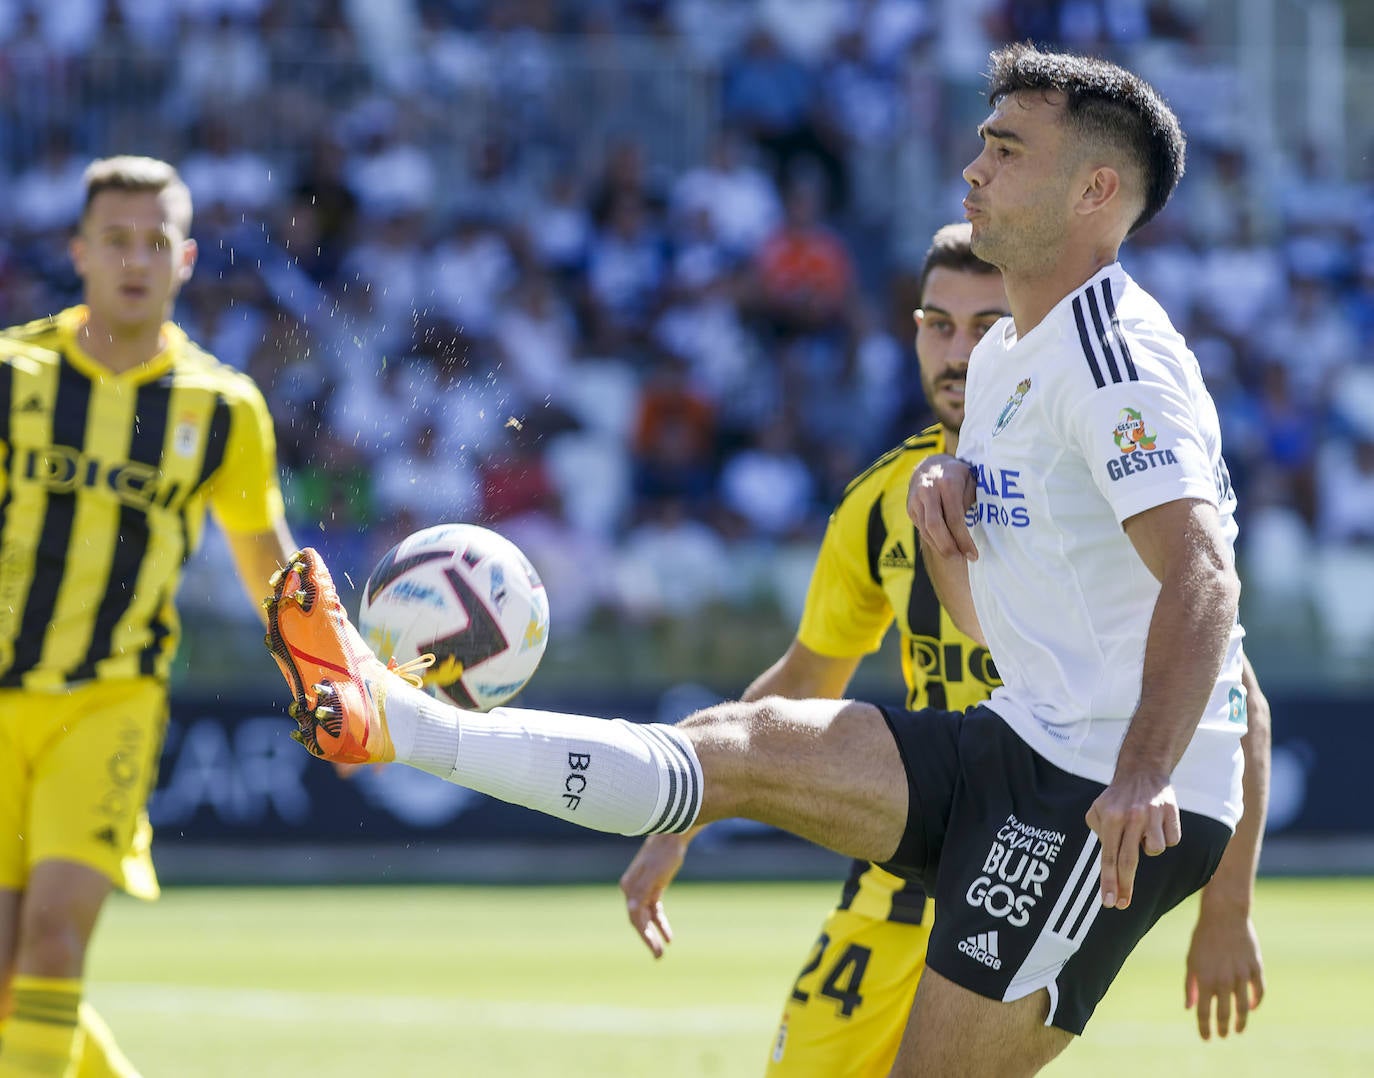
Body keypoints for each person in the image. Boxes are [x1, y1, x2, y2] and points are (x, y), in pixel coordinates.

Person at [266, 45, 1266, 1074]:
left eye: (1007, 150)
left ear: (1097, 190)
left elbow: (1204, 572)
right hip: (1020, 741)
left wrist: (1143, 771)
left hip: (1107, 794)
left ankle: (396, 717)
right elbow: (998, 625)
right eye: (979, 146)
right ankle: (391, 715)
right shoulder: (1013, 353)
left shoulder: (1115, 356)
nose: (973, 170)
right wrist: (951, 526)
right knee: (735, 743)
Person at [616, 222, 1269, 1077]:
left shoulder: (1100, 467)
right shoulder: (879, 500)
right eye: (937, 324)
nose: (957, 353)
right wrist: (687, 807)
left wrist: (1226, 910)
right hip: (897, 883)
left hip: (1026, 856)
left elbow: (1232, 692)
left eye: (986, 325)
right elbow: (810, 677)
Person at [0, 157, 296, 1078]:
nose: (136, 259)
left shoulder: (222, 408)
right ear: (78, 253)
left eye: (155, 242)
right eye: (116, 241)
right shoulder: (12, 374)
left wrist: (344, 685)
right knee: (10, 986)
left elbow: (268, 566)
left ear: (187, 259)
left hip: (109, 700)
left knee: (52, 943)